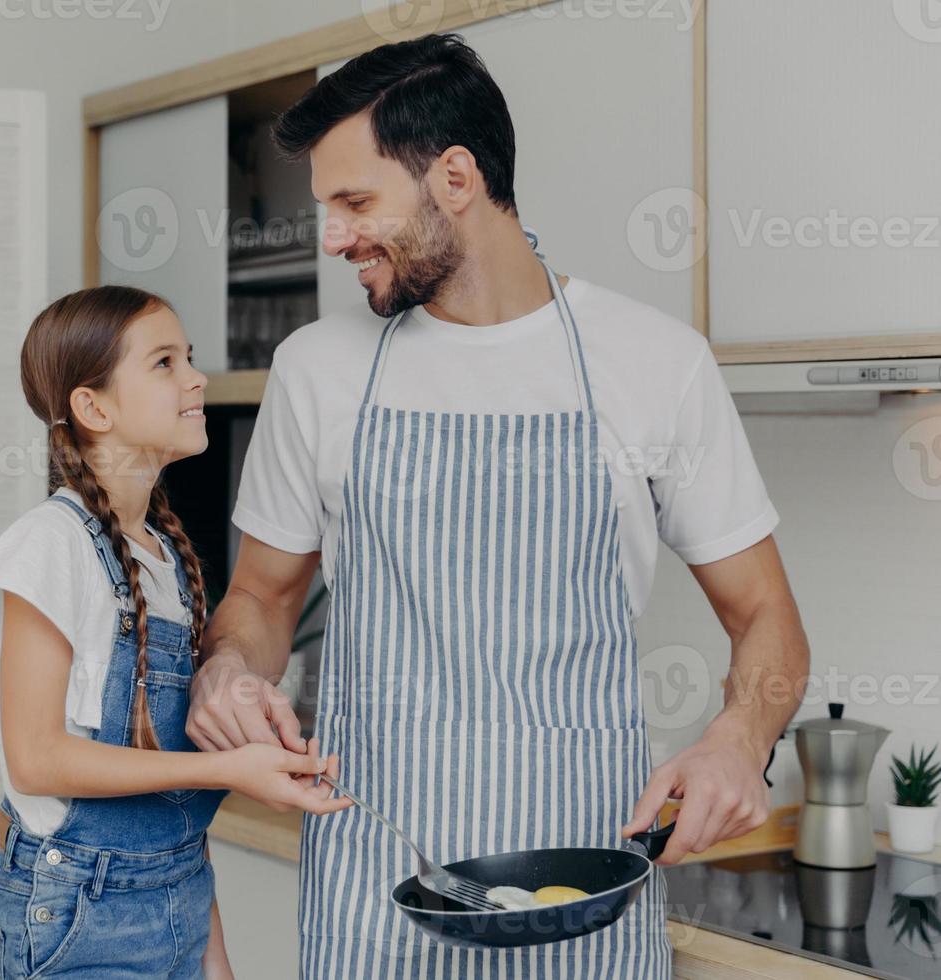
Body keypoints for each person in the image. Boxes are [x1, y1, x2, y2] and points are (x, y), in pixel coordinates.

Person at [186, 34, 810, 979]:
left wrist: (738, 740)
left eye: (355, 203)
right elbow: (263, 601)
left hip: (586, 900)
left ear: (455, 176)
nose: (335, 236)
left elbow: (767, 618)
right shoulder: (315, 370)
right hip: (373, 898)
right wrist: (227, 670)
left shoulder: (655, 363)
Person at [0, 285, 352, 978]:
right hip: (78, 917)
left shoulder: (164, 556)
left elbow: (176, 822)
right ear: (94, 407)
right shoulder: (48, 546)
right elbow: (37, 759)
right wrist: (228, 770)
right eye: (165, 362)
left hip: (176, 904)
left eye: (191, 358)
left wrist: (217, 962)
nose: (195, 377)